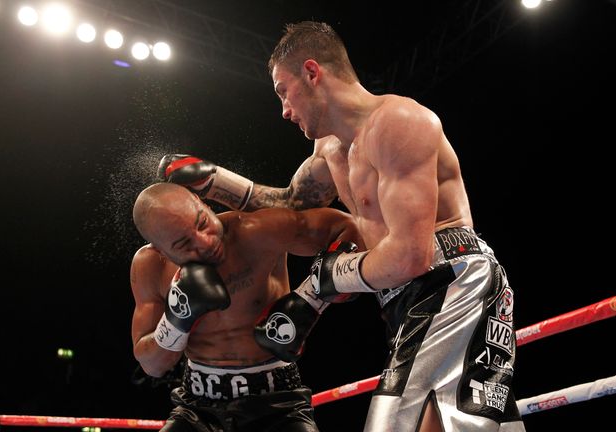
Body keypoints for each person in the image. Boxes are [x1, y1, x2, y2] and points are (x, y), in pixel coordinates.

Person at [157, 21, 525, 432]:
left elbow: (411, 254)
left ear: (312, 73)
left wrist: (323, 281)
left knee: (397, 422)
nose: (284, 110)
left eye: (283, 90)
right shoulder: (331, 149)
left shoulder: (398, 122)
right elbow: (289, 204)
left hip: (451, 277)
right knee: (461, 422)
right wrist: (214, 182)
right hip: (406, 295)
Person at [130, 182, 362, 432]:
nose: (205, 242)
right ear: (160, 249)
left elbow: (350, 228)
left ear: (204, 204)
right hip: (197, 407)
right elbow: (152, 365)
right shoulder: (150, 265)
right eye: (184, 244)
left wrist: (310, 298)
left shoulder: (256, 231)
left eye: (202, 222)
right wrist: (177, 319)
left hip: (278, 402)